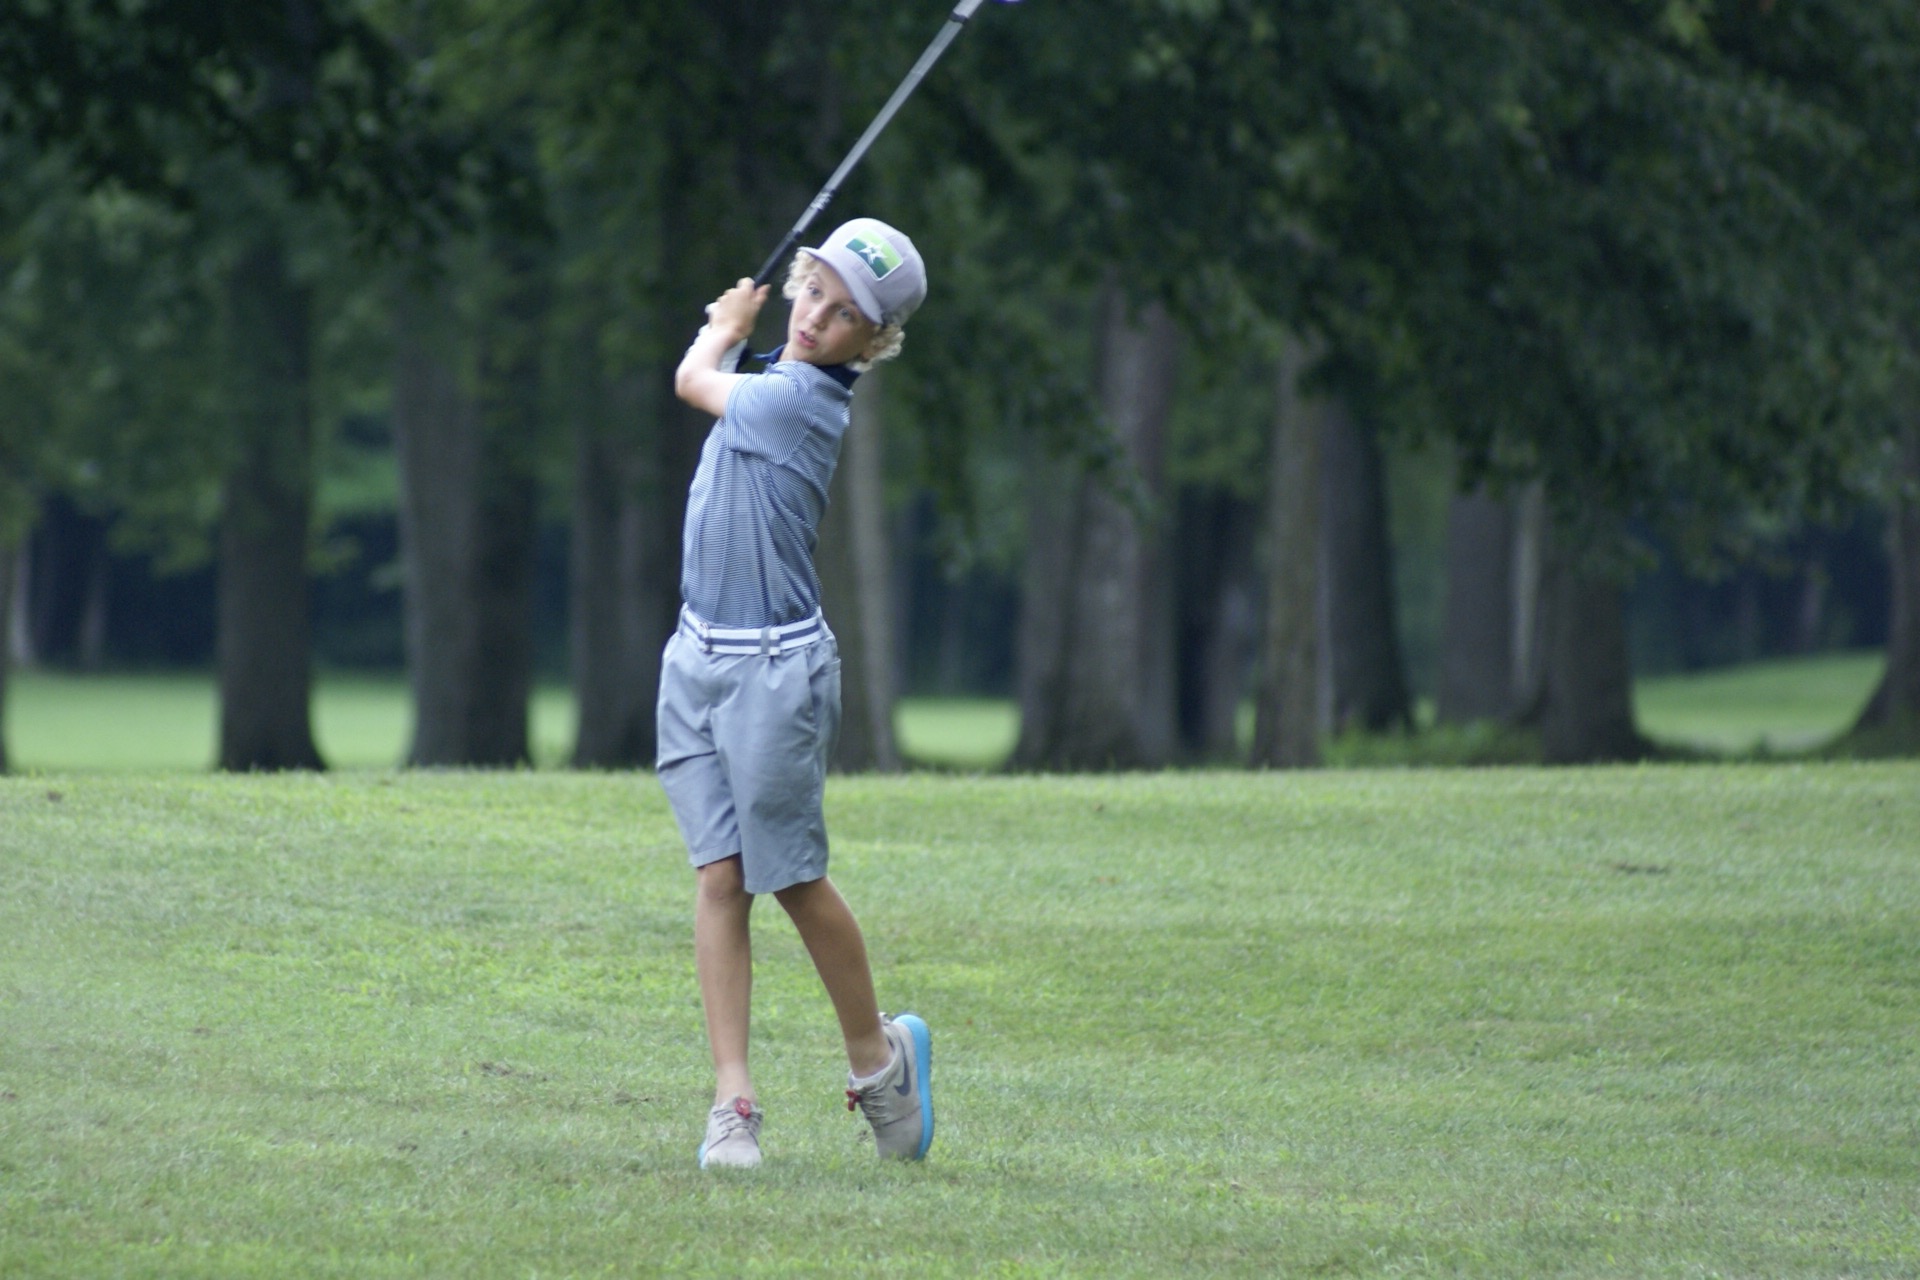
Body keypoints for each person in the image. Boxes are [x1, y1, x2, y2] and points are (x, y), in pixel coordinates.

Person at [658, 217, 934, 1170]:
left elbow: (692, 381)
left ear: (872, 340)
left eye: (844, 313)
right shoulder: (777, 373)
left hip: (774, 674)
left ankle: (880, 1062)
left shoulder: (799, 401)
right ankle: (732, 1102)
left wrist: (723, 326)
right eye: (812, 290)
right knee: (719, 877)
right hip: (696, 657)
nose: (816, 317)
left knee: (791, 879)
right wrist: (746, 336)